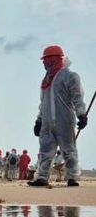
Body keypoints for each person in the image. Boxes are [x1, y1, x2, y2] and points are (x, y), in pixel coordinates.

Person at [29, 45, 87, 187]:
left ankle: (72, 177)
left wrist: (81, 114)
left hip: (64, 120)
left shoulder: (70, 76)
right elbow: (43, 102)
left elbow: (77, 97)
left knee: (69, 150)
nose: (43, 63)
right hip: (47, 123)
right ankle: (42, 177)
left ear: (54, 59)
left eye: (45, 60)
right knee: (45, 151)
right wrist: (39, 120)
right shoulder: (46, 81)